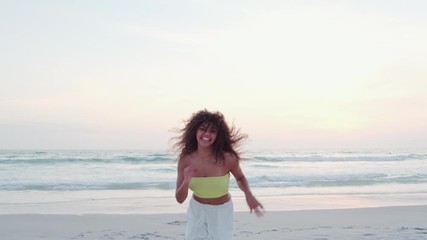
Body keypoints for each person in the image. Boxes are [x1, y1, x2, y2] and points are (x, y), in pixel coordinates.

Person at [173, 109, 264, 240]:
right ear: (195, 131)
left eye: (212, 131)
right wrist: (186, 181)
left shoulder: (227, 158)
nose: (207, 134)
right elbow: (179, 199)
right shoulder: (185, 160)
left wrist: (248, 195)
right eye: (203, 129)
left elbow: (240, 177)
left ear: (218, 136)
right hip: (196, 210)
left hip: (222, 211)